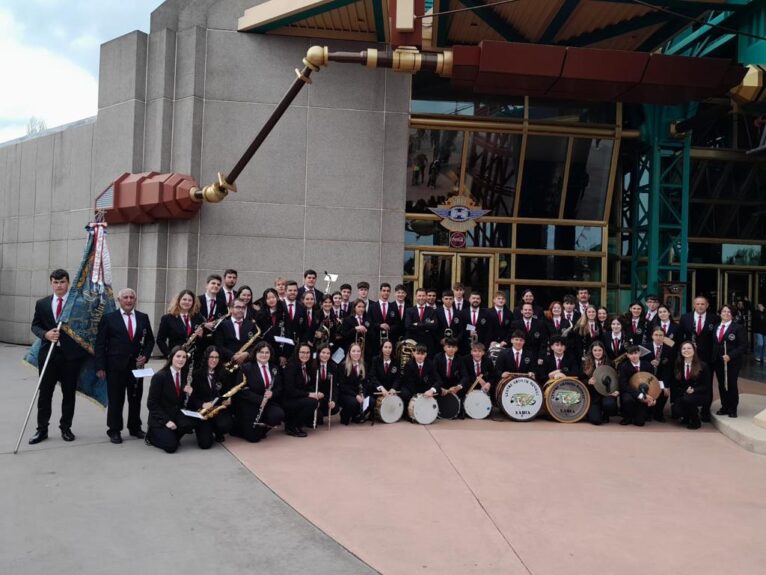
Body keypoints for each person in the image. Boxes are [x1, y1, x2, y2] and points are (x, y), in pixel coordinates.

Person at [28, 268, 89, 444]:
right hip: (48, 356)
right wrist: (45, 334)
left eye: (62, 282)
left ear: (68, 283)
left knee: (68, 394)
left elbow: (85, 328)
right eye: (55, 282)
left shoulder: (77, 303)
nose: (59, 285)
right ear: (51, 283)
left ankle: (66, 428)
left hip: (70, 358)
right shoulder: (42, 304)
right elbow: (35, 326)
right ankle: (42, 429)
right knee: (45, 394)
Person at [96, 288, 155, 444]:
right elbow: (100, 344)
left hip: (137, 367)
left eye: (131, 297)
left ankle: (135, 427)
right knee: (116, 399)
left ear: (135, 300)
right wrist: (100, 366)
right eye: (125, 297)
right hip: (115, 366)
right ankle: (114, 430)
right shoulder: (109, 318)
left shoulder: (143, 317)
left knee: (135, 398)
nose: (129, 300)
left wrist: (146, 356)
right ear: (119, 300)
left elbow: (150, 340)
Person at [145, 346, 208, 453]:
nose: (181, 359)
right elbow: (151, 404)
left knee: (192, 422)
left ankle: (170, 435)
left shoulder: (183, 374)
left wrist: (191, 393)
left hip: (175, 414)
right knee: (171, 447)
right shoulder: (160, 376)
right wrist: (166, 421)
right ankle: (151, 436)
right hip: (161, 418)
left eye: (184, 357)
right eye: (178, 356)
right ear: (171, 358)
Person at [678, 295, 718, 421]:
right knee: (688, 381)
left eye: (702, 304)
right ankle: (689, 409)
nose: (700, 306)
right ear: (694, 305)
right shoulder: (685, 318)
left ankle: (705, 411)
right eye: (697, 304)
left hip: (707, 358)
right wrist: (688, 345)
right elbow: (681, 336)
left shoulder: (714, 318)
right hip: (689, 356)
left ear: (707, 305)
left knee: (707, 383)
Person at [236, 342, 285, 442]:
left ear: (270, 354)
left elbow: (279, 387)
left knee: (278, 415)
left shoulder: (274, 368)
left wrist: (272, 393)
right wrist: (259, 399)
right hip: (251, 403)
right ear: (255, 353)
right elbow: (242, 390)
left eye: (267, 352)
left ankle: (261, 429)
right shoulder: (247, 368)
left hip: (268, 403)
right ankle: (241, 429)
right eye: (261, 352)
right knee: (254, 439)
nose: (264, 355)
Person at [189, 346, 233, 443]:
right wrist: (202, 404)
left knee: (226, 425)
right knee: (205, 444)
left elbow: (227, 392)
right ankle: (207, 428)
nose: (214, 360)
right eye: (211, 357)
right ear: (206, 358)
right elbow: (193, 397)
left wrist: (228, 400)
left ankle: (217, 430)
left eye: (216, 357)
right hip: (203, 411)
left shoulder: (224, 373)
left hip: (218, 409)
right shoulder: (197, 374)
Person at [712, 304, 748, 418]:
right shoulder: (716, 326)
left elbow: (743, 346)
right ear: (720, 313)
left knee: (731, 384)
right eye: (724, 311)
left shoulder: (738, 328)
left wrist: (730, 356)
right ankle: (724, 406)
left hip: (732, 361)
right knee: (722, 384)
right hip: (718, 360)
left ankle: (733, 408)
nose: (726, 314)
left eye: (729, 312)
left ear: (732, 315)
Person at [282, 343, 322, 437]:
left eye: (308, 352)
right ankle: (291, 426)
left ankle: (298, 424)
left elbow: (310, 384)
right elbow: (290, 390)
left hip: (299, 397)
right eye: (302, 352)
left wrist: (316, 393)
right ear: (297, 353)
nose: (305, 355)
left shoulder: (307, 366)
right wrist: (309, 394)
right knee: (313, 402)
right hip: (288, 400)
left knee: (318, 412)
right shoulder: (291, 366)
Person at [156, 289, 204, 359]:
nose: (187, 302)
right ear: (178, 301)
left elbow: (201, 341)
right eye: (184, 299)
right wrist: (169, 355)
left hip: (194, 358)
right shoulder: (167, 318)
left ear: (193, 303)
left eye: (190, 300)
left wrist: (201, 336)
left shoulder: (198, 318)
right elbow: (160, 340)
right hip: (176, 358)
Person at [675, 341, 712, 430]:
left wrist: (694, 390)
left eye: (689, 348)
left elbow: (706, 386)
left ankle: (696, 421)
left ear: (694, 350)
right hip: (685, 393)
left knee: (688, 399)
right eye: (684, 348)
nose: (686, 350)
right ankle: (687, 417)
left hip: (700, 394)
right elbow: (677, 383)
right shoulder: (678, 364)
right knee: (676, 411)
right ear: (680, 351)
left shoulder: (703, 365)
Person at [582, 341, 618, 425]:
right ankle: (593, 412)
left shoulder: (610, 363)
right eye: (595, 350)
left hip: (606, 394)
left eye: (600, 350)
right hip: (592, 396)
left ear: (603, 351)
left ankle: (606, 414)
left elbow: (615, 379)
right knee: (596, 420)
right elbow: (580, 380)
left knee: (610, 404)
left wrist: (615, 390)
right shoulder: (585, 363)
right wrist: (588, 381)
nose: (597, 353)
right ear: (591, 351)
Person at [618, 345, 654, 427]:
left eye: (635, 353)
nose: (633, 356)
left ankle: (638, 415)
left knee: (640, 423)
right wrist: (639, 394)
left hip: (644, 393)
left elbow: (652, 382)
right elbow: (623, 385)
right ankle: (627, 417)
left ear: (640, 353)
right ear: (627, 355)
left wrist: (653, 397)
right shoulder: (624, 366)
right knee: (627, 399)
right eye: (631, 354)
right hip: (629, 392)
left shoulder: (648, 366)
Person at [399, 344, 441, 412]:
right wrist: (420, 395)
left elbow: (438, 380)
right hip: (412, 388)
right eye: (418, 353)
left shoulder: (430, 364)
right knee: (405, 393)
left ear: (426, 355)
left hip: (425, 387)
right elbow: (409, 383)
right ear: (414, 354)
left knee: (438, 390)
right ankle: (408, 412)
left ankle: (431, 410)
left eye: (422, 354)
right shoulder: (409, 365)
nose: (420, 356)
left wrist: (431, 390)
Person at [434, 337, 466, 418]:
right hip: (440, 383)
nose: (451, 349)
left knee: (464, 388)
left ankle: (460, 410)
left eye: (453, 347)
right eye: (449, 347)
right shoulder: (437, 357)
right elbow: (434, 374)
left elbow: (465, 376)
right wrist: (440, 387)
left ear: (457, 349)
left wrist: (458, 387)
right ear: (444, 348)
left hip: (453, 385)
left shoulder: (460, 359)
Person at [337, 343, 368, 424]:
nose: (356, 353)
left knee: (370, 401)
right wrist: (356, 395)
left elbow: (365, 383)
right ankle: (344, 414)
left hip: (358, 393)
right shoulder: (342, 365)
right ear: (349, 353)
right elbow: (342, 386)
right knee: (353, 402)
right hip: (346, 393)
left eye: (358, 351)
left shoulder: (364, 365)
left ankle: (356, 415)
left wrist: (363, 394)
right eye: (353, 351)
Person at [647, 326, 673, 422]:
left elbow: (669, 368)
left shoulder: (669, 349)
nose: (658, 337)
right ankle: (648, 412)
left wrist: (666, 385)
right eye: (656, 335)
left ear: (664, 337)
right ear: (652, 336)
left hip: (661, 377)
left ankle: (658, 413)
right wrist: (650, 362)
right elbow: (640, 362)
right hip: (647, 377)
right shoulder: (645, 347)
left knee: (664, 392)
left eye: (661, 335)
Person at [405, 288, 438, 354]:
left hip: (427, 343)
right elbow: (408, 326)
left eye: (423, 296)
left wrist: (417, 324)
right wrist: (427, 325)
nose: (421, 298)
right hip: (413, 342)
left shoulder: (432, 311)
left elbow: (434, 325)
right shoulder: (409, 310)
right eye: (419, 296)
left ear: (426, 297)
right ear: (416, 297)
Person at [313, 344, 338, 424]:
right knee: (319, 420)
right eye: (323, 353)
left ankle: (320, 412)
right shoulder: (312, 365)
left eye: (328, 353)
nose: (325, 355)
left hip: (326, 396)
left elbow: (334, 386)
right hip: (315, 395)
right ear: (319, 353)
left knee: (335, 408)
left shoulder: (333, 366)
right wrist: (315, 394)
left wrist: (333, 400)